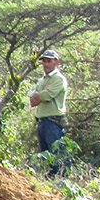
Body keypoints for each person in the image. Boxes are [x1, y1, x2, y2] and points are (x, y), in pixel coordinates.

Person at [29, 48, 69, 176]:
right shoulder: (42, 81)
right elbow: (33, 101)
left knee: (58, 153)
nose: (45, 64)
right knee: (47, 155)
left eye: (49, 61)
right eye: (44, 61)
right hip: (42, 121)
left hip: (54, 121)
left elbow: (46, 96)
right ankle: (51, 178)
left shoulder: (59, 79)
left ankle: (62, 179)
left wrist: (38, 95)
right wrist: (40, 95)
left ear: (56, 62)